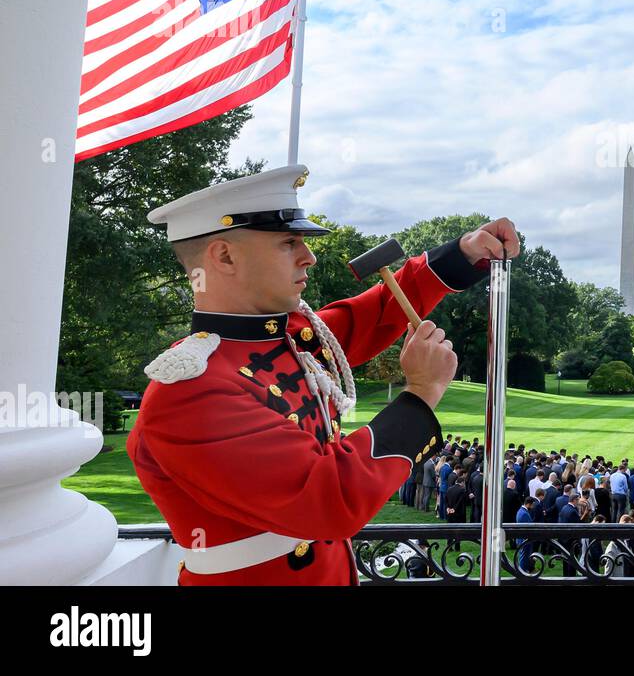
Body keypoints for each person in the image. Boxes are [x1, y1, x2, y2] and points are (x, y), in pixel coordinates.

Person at [126, 164, 519, 585]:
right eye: (289, 242)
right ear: (224, 256)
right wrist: (421, 393)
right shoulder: (189, 390)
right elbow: (329, 500)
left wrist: (463, 253)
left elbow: (378, 310)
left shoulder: (291, 337)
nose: (308, 256)